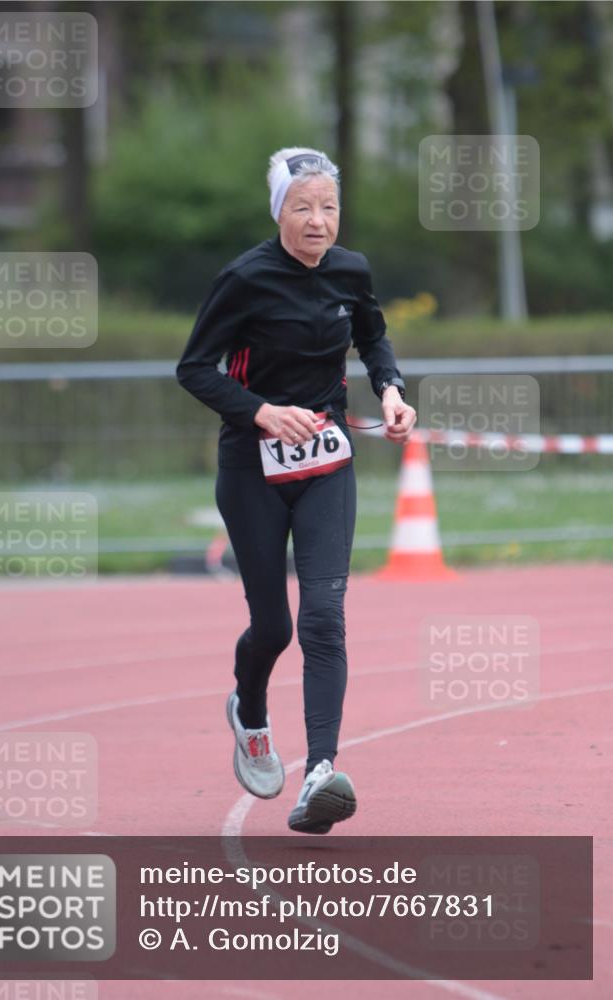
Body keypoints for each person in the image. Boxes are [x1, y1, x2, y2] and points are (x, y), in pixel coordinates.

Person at [177, 146, 416, 834]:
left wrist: (392, 390)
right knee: (274, 628)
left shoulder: (350, 270)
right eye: (302, 207)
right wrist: (259, 411)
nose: (317, 220)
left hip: (326, 465)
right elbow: (194, 368)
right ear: (278, 211)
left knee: (323, 618)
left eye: (328, 207)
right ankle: (249, 713)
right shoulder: (243, 279)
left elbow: (372, 338)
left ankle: (320, 772)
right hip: (251, 470)